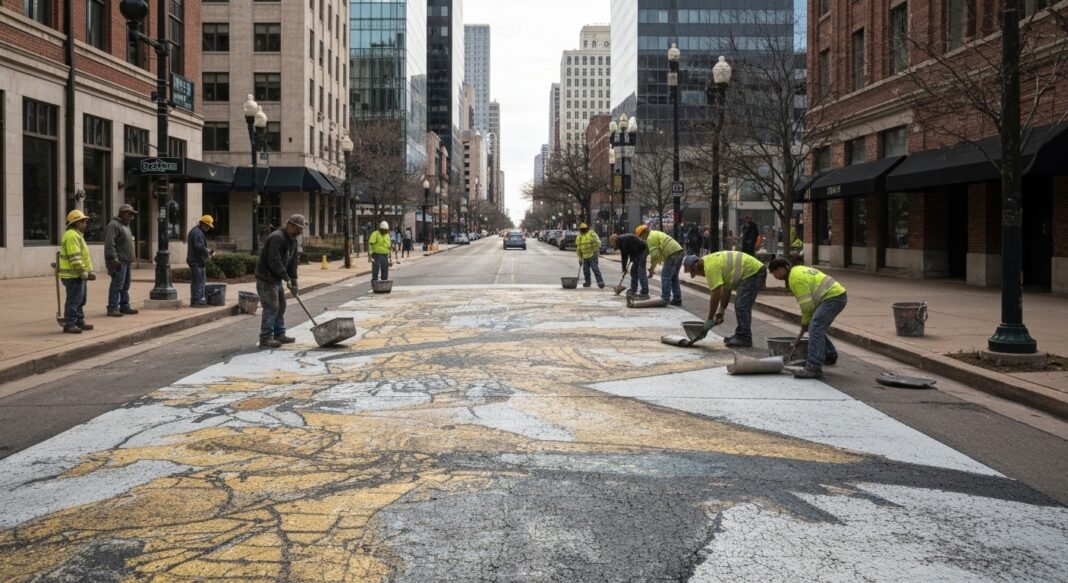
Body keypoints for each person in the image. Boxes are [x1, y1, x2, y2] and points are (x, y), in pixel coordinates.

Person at [768, 258, 847, 379]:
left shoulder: (795, 278)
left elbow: (806, 306)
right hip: (834, 295)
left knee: (815, 328)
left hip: (833, 297)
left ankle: (814, 367)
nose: (775, 276)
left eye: (775, 272)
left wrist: (805, 322)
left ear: (782, 268)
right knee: (816, 326)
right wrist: (807, 322)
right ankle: (830, 354)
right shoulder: (797, 270)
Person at [683, 250, 767, 348]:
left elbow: (715, 294)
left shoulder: (710, 267)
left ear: (696, 267)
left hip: (753, 272)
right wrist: (721, 311)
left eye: (695, 273)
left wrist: (710, 318)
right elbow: (726, 289)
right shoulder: (710, 262)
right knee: (741, 304)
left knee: (741, 305)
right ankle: (741, 334)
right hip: (753, 271)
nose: (700, 275)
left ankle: (744, 337)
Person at [255, 214, 304, 349]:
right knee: (271, 306)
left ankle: (279, 334)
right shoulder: (277, 237)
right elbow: (274, 261)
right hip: (266, 278)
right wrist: (286, 278)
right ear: (290, 225)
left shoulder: (292, 240)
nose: (299, 233)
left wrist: (294, 281)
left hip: (276, 279)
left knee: (281, 305)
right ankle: (266, 338)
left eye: (301, 231)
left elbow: (292, 263)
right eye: (297, 229)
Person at [58, 210, 96, 334]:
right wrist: (83, 271)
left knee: (80, 300)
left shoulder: (77, 235)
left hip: (78, 274)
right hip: (73, 275)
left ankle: (79, 321)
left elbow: (82, 256)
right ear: (76, 223)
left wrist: (88, 271)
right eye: (83, 221)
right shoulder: (72, 235)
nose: (85, 224)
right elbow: (75, 257)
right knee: (74, 300)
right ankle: (70, 324)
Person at [103, 204, 139, 317]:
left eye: (133, 214)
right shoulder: (114, 225)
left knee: (125, 285)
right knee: (117, 285)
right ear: (123, 213)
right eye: (130, 214)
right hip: (118, 261)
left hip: (126, 261)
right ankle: (112, 307)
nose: (132, 217)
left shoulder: (126, 225)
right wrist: (113, 258)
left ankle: (124, 305)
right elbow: (109, 244)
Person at [637, 224, 684, 306]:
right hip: (679, 251)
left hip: (671, 253)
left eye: (641, 236)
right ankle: (677, 299)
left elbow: (655, 255)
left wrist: (651, 269)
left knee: (665, 276)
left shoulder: (650, 237)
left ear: (644, 233)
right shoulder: (655, 233)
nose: (642, 239)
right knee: (674, 277)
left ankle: (665, 298)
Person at [186, 215, 216, 306]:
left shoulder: (195, 231)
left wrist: (207, 251)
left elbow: (199, 246)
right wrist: (208, 252)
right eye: (208, 226)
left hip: (196, 260)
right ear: (203, 224)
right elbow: (199, 247)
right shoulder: (198, 233)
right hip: (197, 261)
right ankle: (197, 301)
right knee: (199, 281)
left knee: (198, 281)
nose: (208, 228)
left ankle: (197, 300)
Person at [610, 232, 649, 300]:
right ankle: (633, 290)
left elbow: (636, 249)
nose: (615, 247)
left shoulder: (625, 240)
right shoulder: (621, 243)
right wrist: (624, 269)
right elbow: (624, 256)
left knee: (641, 272)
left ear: (615, 241)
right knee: (633, 272)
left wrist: (633, 258)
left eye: (614, 245)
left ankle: (644, 292)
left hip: (642, 251)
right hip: (637, 253)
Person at [575, 223, 604, 289]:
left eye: (584, 229)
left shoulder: (591, 234)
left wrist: (595, 250)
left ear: (586, 229)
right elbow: (578, 249)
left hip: (592, 255)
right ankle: (587, 282)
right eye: (582, 229)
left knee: (595, 269)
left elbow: (598, 243)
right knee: (586, 271)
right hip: (585, 257)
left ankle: (600, 282)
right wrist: (580, 258)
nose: (583, 230)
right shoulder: (579, 237)